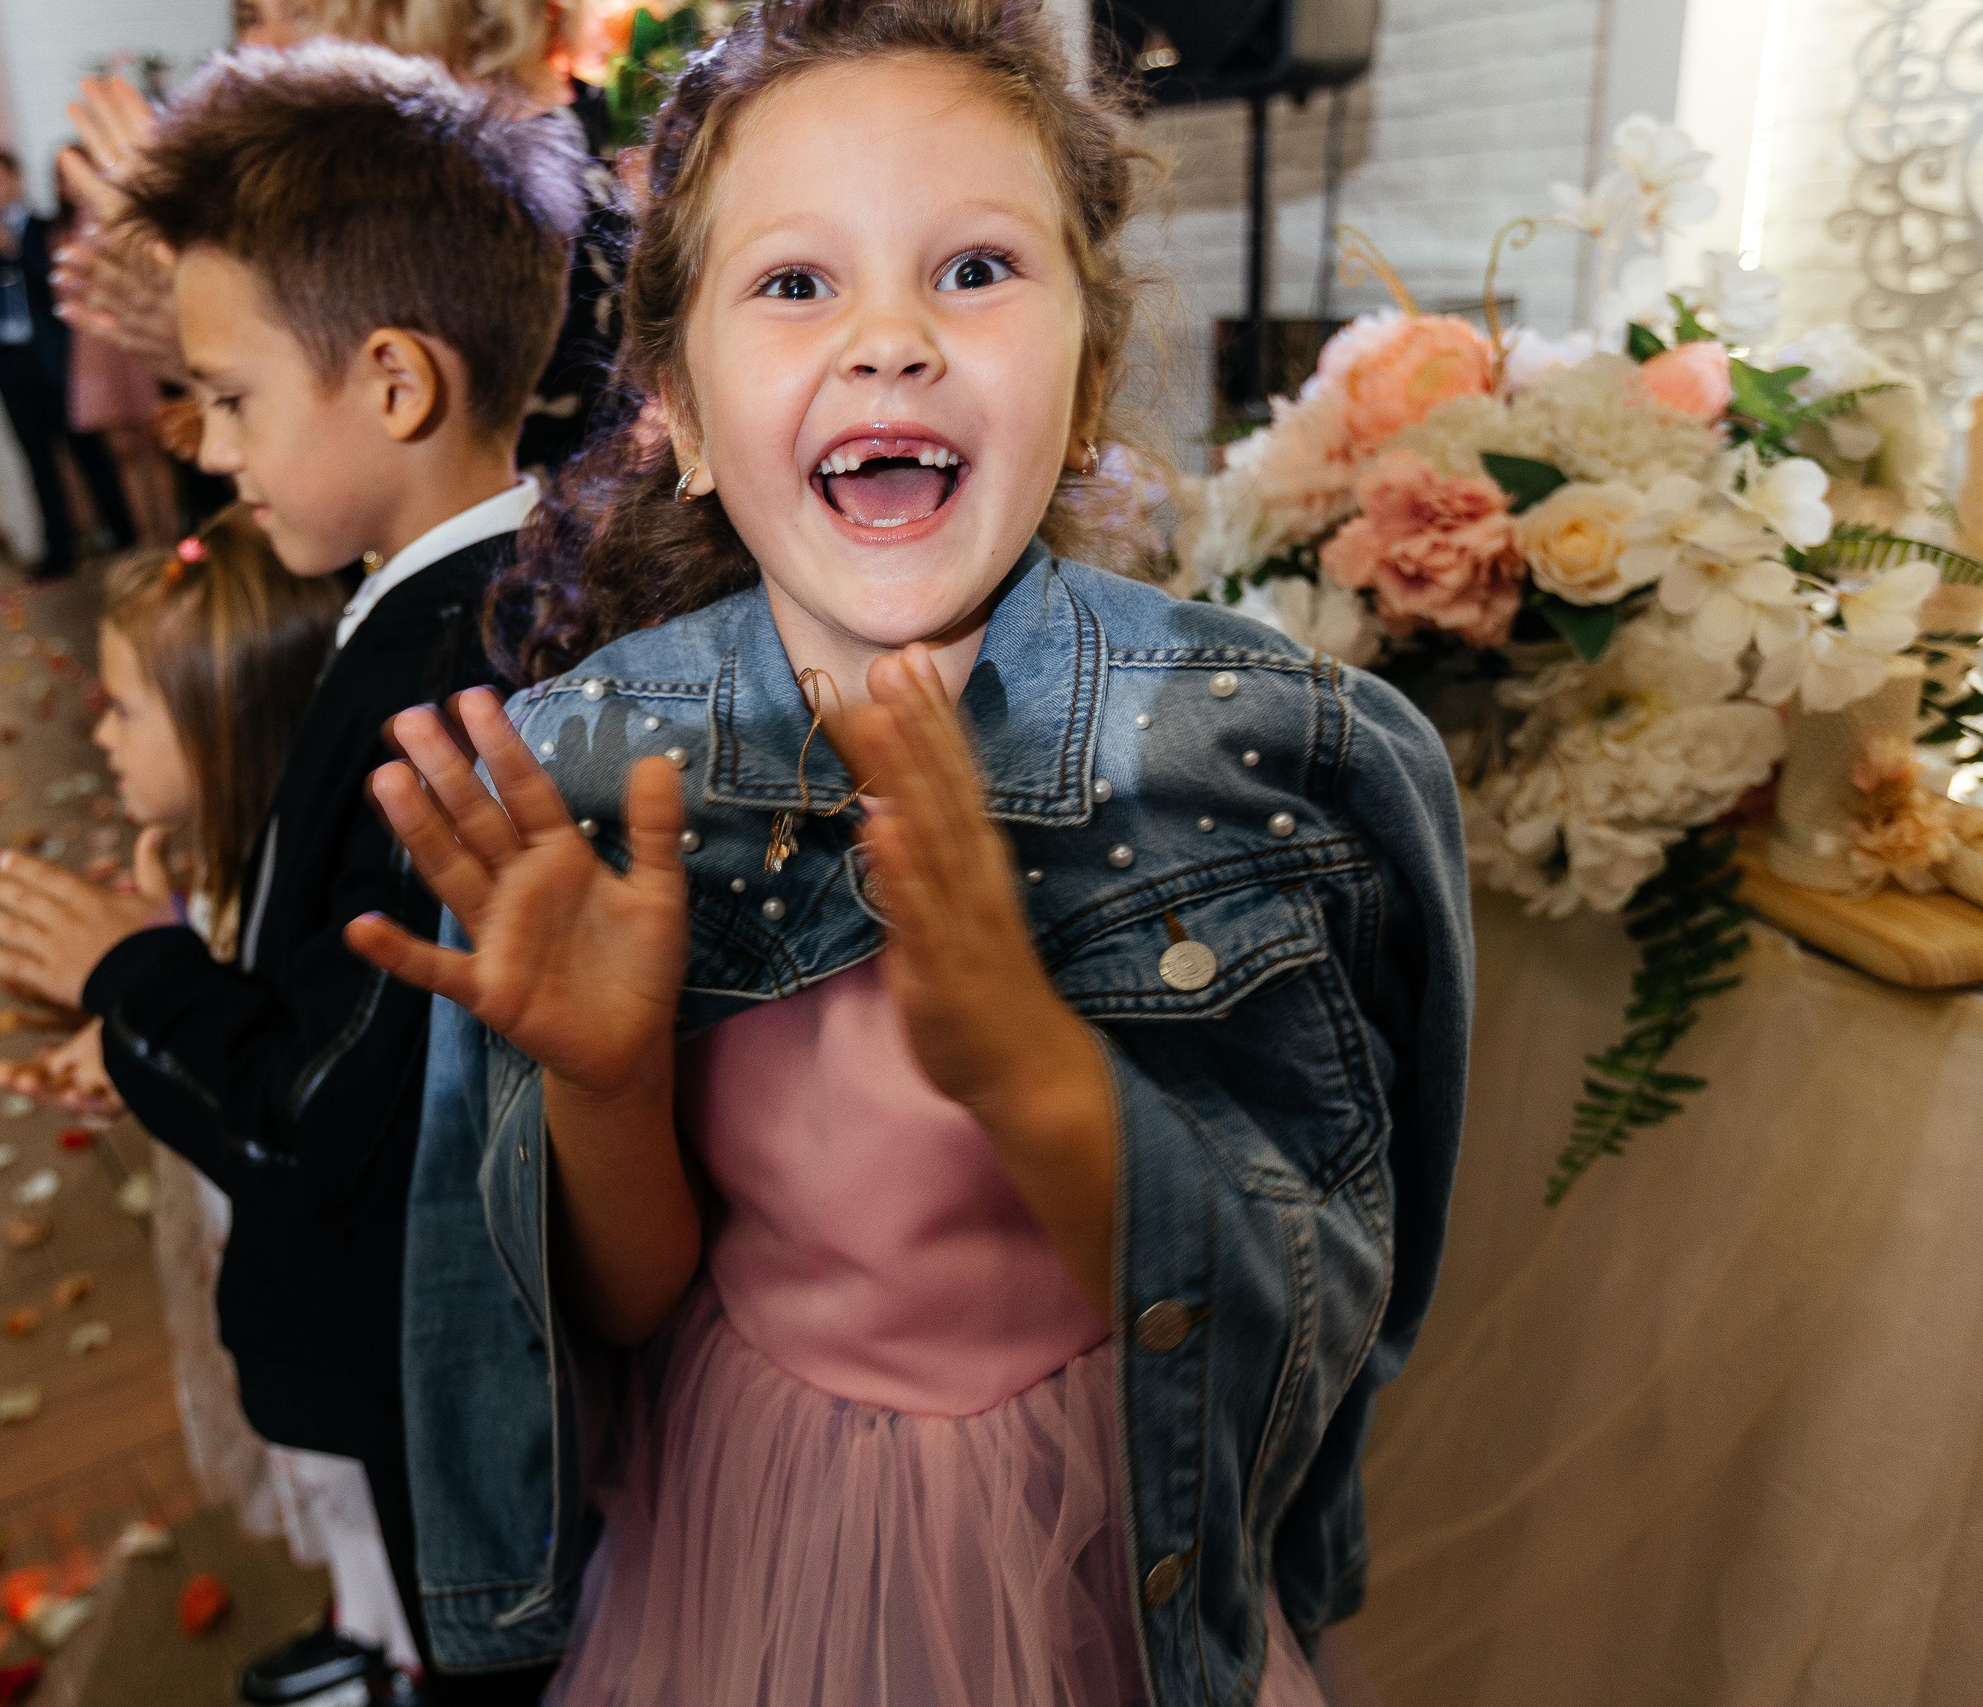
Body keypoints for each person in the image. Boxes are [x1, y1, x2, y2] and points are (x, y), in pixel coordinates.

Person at [345, 1, 1476, 1702]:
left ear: (1088, 381)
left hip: (1108, 1534)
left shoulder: (1272, 764)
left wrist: (1031, 1065)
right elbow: (631, 1306)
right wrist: (601, 1078)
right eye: (796, 283)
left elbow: (1293, 1309)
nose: (890, 339)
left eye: (973, 270)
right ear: (687, 416)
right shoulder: (593, 778)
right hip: (751, 1527)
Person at [0, 43, 583, 1707]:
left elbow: (329, 1116)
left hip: (427, 1354)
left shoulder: (449, 689)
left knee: (485, 1650)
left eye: (230, 400)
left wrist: (130, 969)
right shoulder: (449, 597)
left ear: (394, 383)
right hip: (422, 1342)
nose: (212, 451)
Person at [0, 511, 426, 1681]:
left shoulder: (296, 908)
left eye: (126, 707)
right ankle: (364, 1631)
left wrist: (136, 984)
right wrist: (114, 1045)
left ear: (222, 725)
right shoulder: (213, 881)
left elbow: (269, 1083)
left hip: (333, 1293)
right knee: (327, 1496)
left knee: (363, 1488)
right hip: (257, 1249)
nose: (99, 732)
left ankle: (395, 1657)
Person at [50, 0, 625, 478]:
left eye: (301, 13)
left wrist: (211, 332)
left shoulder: (538, 205)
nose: (259, 51)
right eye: (251, 16)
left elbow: (451, 500)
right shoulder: (388, 205)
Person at [0, 147, 137, 579]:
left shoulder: (43, 228)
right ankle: (59, 554)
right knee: (38, 464)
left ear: (15, 181)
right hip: (9, 366)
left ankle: (124, 537)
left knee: (90, 455)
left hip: (54, 363)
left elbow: (48, 279)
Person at [59, 150, 182, 549]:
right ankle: (146, 541)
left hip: (129, 332)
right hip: (95, 343)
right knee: (123, 451)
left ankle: (170, 535)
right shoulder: (67, 227)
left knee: (154, 443)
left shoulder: (120, 217)